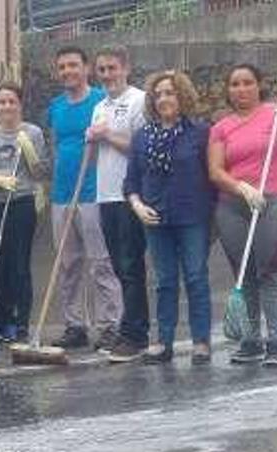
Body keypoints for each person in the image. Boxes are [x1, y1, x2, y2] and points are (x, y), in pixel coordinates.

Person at [125, 70, 213, 365]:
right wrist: (137, 205)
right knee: (164, 281)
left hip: (192, 216)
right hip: (155, 218)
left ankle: (201, 342)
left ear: (182, 96)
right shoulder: (141, 137)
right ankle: (164, 342)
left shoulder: (200, 132)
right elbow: (131, 182)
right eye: (158, 94)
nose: (164, 99)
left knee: (196, 277)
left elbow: (211, 176)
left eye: (170, 92)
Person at [47, 46, 122, 349]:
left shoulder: (99, 103)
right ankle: (75, 324)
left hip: (94, 191)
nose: (67, 71)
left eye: (73, 65)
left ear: (86, 68)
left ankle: (110, 324)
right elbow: (55, 145)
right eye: (62, 66)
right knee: (68, 264)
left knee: (100, 261)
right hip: (62, 194)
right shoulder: (55, 107)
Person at [209, 63, 277, 365]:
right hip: (233, 205)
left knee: (270, 270)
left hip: (271, 200)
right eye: (235, 84)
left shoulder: (274, 116)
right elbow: (215, 171)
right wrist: (241, 188)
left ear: (259, 85)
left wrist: (260, 193)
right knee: (244, 273)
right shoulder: (221, 127)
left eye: (247, 83)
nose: (241, 89)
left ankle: (275, 338)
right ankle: (251, 340)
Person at [87, 45, 150, 361]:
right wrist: (93, 138)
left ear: (126, 67)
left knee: (130, 266)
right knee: (116, 266)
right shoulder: (99, 107)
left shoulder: (138, 100)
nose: (108, 75)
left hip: (130, 196)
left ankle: (136, 335)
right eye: (102, 70)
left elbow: (141, 150)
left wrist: (107, 135)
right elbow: (99, 153)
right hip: (105, 195)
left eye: (112, 68)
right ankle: (128, 329)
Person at [0, 82, 48, 343]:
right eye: (2, 102)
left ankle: (19, 324)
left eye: (12, 102)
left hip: (21, 203)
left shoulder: (34, 132)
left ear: (20, 104)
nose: (7, 106)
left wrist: (29, 151)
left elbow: (41, 173)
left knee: (19, 265)